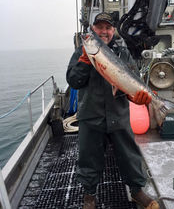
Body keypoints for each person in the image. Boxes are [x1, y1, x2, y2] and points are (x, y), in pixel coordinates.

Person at [66, 12, 160, 209]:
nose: (104, 32)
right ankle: (89, 195)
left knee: (130, 155)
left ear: (114, 30)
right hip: (91, 115)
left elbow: (132, 81)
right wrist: (84, 61)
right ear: (93, 28)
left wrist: (137, 96)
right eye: (100, 27)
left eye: (108, 28)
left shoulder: (122, 52)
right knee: (88, 157)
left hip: (118, 115)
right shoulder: (81, 52)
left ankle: (137, 191)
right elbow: (74, 81)